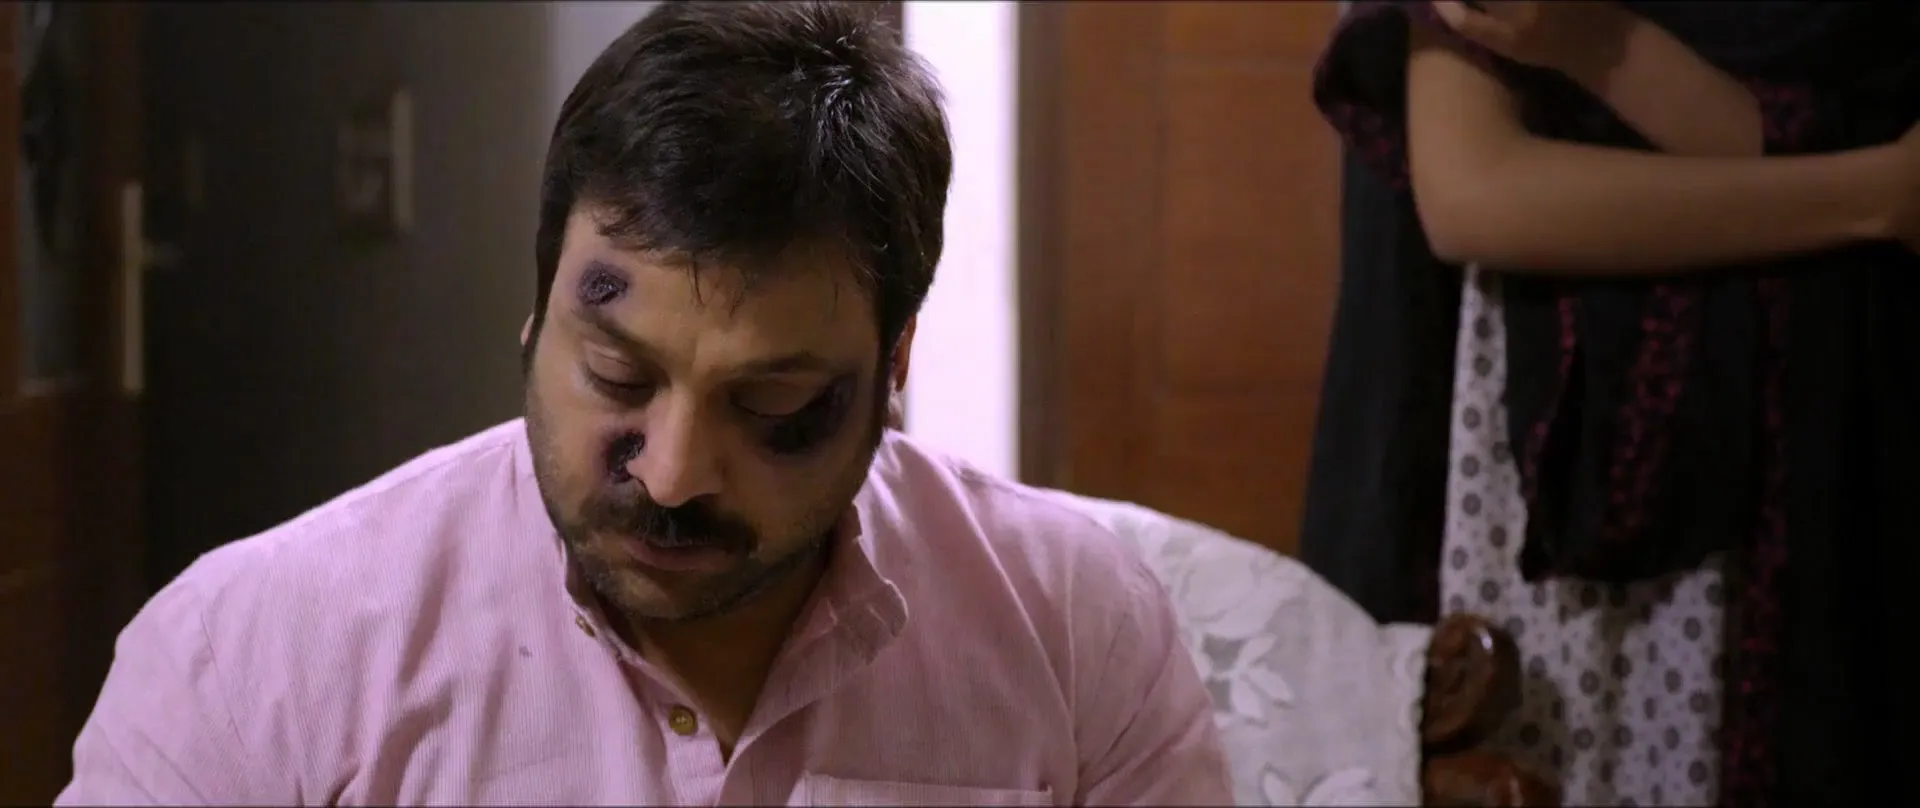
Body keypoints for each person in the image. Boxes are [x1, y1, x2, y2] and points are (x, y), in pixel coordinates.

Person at [56, 4, 1231, 804]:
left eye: (774, 404)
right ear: (536, 317)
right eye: (618, 376)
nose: (672, 473)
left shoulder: (1073, 628)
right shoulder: (254, 652)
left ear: (894, 367)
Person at [1311, 1, 1919, 805]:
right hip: (1554, 444)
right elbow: (1476, 192)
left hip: (1827, 412)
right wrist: (1871, 194)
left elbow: (1795, 130)